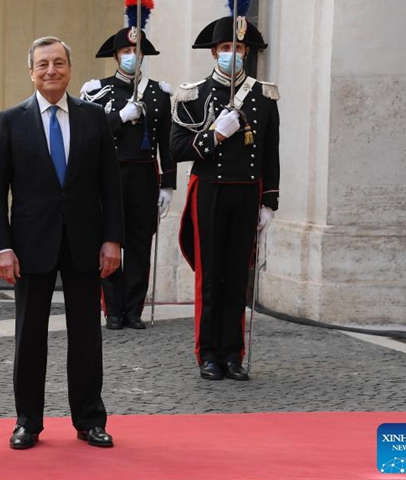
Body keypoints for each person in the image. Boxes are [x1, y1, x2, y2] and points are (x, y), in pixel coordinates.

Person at [0, 36, 123, 450]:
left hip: (84, 242)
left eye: (59, 63)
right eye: (43, 64)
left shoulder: (94, 117)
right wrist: (2, 246)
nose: (51, 70)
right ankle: (28, 421)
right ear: (31, 71)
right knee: (30, 337)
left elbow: (109, 185)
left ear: (69, 67)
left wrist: (112, 240)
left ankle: (89, 419)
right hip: (30, 246)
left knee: (86, 336)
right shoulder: (12, 119)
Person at [170, 9, 280, 382]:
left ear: (246, 52)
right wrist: (214, 135)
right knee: (211, 274)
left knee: (237, 275)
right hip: (210, 191)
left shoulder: (264, 97)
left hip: (247, 193)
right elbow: (176, 148)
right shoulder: (193, 94)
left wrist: (270, 202)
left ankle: (233, 353)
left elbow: (270, 154)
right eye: (225, 47)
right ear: (214, 52)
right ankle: (208, 353)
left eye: (238, 47)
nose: (232, 52)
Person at [81, 2, 175, 331]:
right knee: (109, 240)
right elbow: (88, 133)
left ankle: (133, 308)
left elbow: (168, 141)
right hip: (109, 175)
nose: (131, 55)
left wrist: (168, 184)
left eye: (135, 50)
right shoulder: (96, 91)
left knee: (139, 243)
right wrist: (120, 118)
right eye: (125, 50)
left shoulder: (159, 93)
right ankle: (113, 309)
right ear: (116, 55)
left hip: (145, 176)